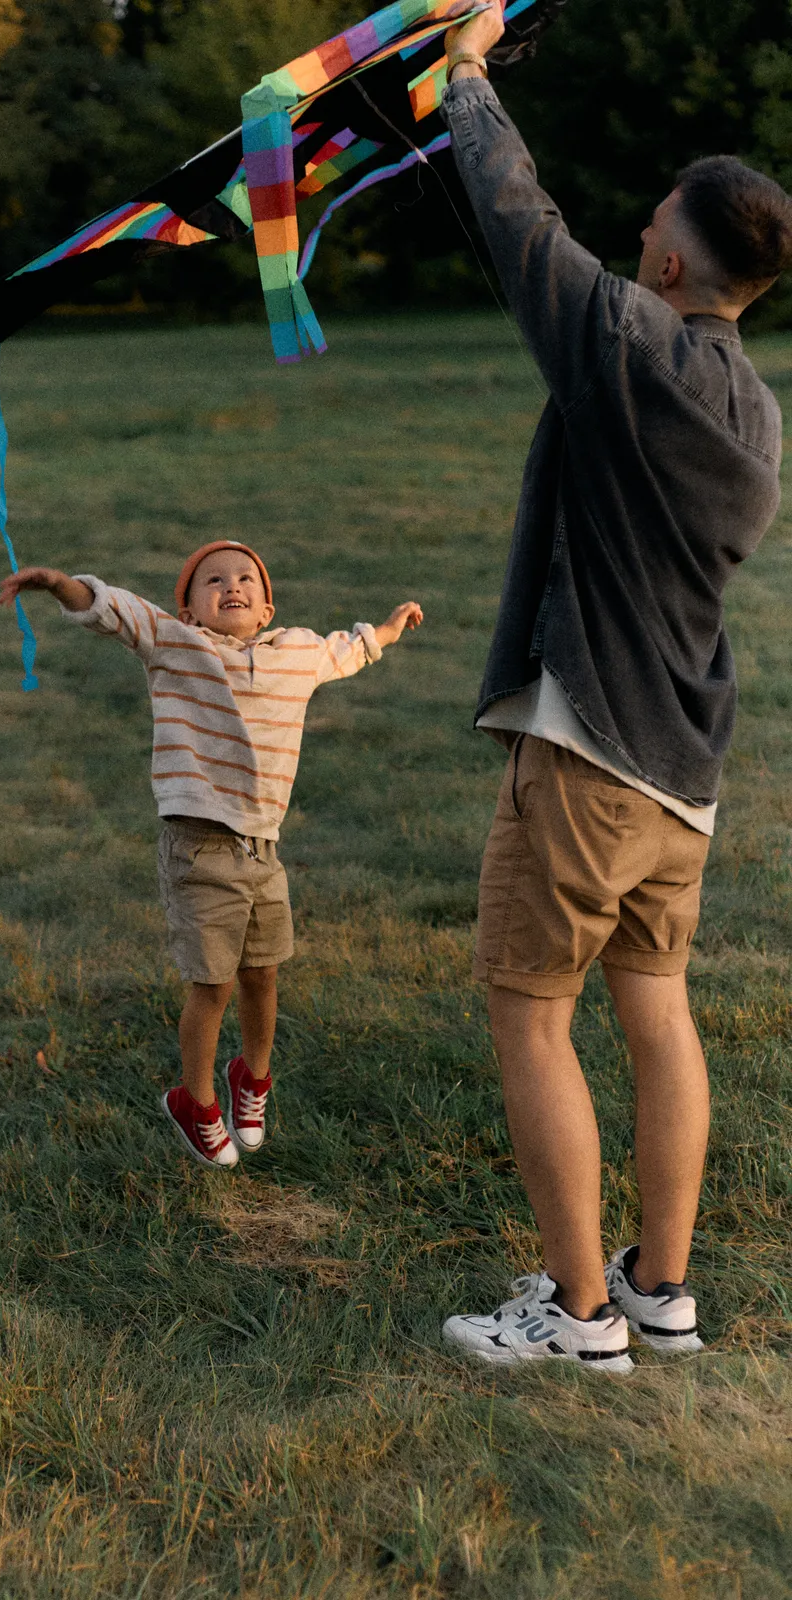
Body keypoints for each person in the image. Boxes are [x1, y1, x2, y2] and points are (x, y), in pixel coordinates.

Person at [436, 3, 792, 1370]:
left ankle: (578, 1315)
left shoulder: (629, 350)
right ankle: (661, 1289)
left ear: (668, 251)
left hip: (587, 753)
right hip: (683, 776)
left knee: (531, 1013)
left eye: (647, 223)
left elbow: (523, 228)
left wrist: (466, 76)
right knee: (657, 1009)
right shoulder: (753, 409)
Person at [0, 543, 422, 1169]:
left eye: (247, 579)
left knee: (264, 974)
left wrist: (387, 627)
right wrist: (61, 584)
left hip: (263, 849)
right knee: (214, 984)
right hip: (199, 848)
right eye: (213, 580)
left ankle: (252, 1079)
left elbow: (349, 649)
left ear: (267, 606)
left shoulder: (295, 652)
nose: (233, 586)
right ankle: (194, 1101)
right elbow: (113, 611)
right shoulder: (176, 645)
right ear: (189, 610)